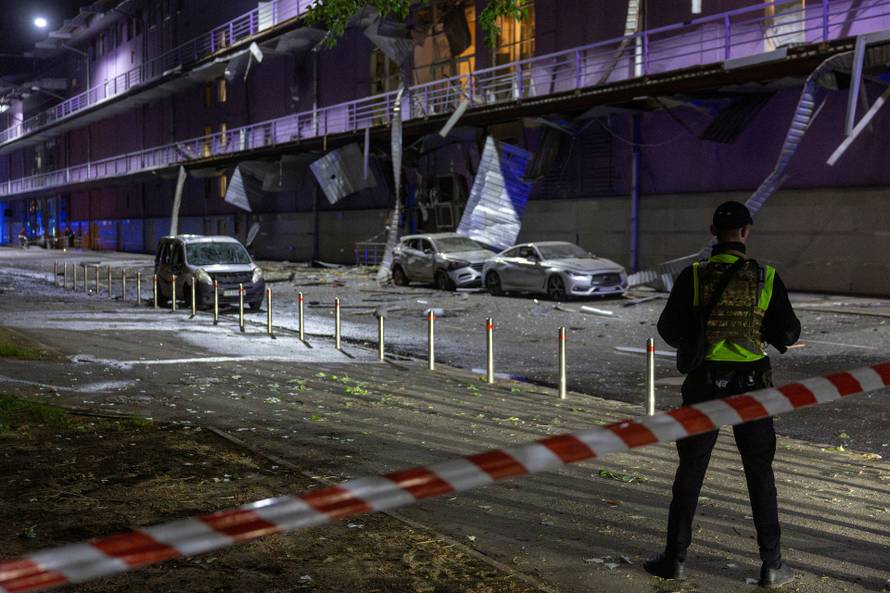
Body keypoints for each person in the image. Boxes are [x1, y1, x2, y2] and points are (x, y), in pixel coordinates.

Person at [645, 201, 801, 588]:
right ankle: (772, 564)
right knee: (760, 474)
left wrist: (699, 336)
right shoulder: (766, 276)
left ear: (713, 230)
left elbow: (668, 328)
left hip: (704, 384)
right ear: (746, 232)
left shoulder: (693, 276)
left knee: (690, 473)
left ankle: (675, 559)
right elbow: (789, 333)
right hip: (753, 387)